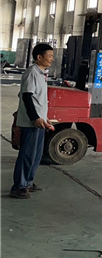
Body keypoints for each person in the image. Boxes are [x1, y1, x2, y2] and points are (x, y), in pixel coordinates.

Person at [10, 43, 55, 199]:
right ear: (39, 57)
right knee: (27, 154)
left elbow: (38, 99)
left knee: (36, 155)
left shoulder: (41, 74)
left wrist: (44, 117)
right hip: (32, 122)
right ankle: (19, 187)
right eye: (49, 56)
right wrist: (34, 117)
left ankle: (28, 182)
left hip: (40, 121)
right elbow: (27, 97)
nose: (52, 59)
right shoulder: (32, 73)